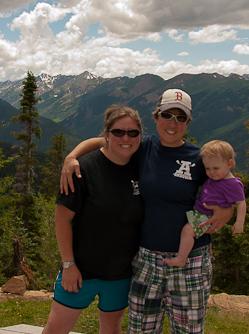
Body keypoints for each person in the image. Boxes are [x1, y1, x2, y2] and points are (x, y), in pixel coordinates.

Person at [60, 89, 234, 334]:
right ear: (156, 117)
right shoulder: (143, 146)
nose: (172, 123)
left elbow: (227, 179)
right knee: (141, 329)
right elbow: (104, 140)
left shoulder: (198, 157)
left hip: (191, 259)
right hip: (147, 259)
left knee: (188, 331)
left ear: (187, 123)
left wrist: (229, 208)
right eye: (167, 115)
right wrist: (72, 156)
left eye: (180, 118)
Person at [42, 106, 144, 334]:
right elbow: (62, 220)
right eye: (118, 132)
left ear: (140, 135)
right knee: (55, 329)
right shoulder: (82, 170)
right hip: (80, 270)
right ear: (106, 135)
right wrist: (68, 264)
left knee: (112, 329)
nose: (125, 138)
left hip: (121, 272)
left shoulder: (142, 164)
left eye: (133, 133)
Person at [165, 139, 246, 267]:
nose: (211, 172)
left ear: (230, 164)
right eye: (207, 168)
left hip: (206, 216)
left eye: (215, 168)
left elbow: (241, 203)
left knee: (187, 231)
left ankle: (181, 258)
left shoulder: (233, 184)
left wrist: (239, 222)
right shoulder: (218, 177)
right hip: (201, 211)